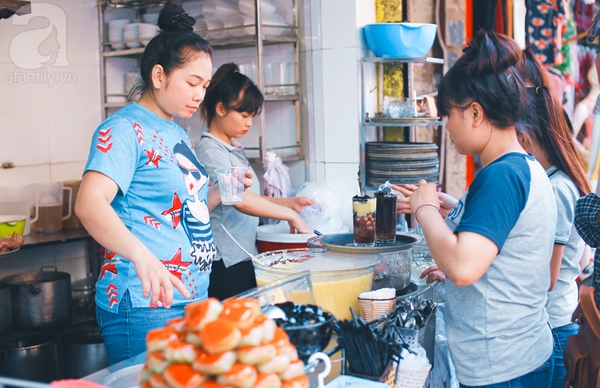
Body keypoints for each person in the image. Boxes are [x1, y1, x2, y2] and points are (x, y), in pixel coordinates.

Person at [75, 5, 250, 365]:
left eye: (204, 85)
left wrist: (225, 191)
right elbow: (89, 205)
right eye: (191, 83)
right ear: (159, 75)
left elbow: (187, 205)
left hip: (191, 294)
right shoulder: (122, 129)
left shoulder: (174, 131)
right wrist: (142, 255)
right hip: (144, 301)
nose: (200, 95)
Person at [405, 31, 556, 387]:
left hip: (504, 367)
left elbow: (462, 266)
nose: (447, 127)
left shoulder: (502, 175)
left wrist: (424, 208)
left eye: (448, 115)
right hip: (518, 356)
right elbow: (499, 254)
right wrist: (455, 210)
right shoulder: (520, 166)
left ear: (475, 113)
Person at [195, 63, 314, 301]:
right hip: (225, 263)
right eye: (243, 114)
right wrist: (291, 216)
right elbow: (239, 199)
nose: (249, 122)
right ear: (220, 108)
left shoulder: (232, 149)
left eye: (252, 116)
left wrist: (291, 203)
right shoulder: (210, 152)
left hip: (243, 255)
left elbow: (251, 198)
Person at [516, 48, 591, 388]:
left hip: (554, 328)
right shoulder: (555, 180)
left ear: (524, 136)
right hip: (554, 323)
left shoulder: (559, 189)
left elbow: (546, 276)